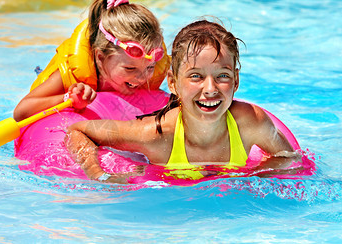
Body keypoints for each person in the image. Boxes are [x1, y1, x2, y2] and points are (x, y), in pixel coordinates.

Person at [64, 19, 300, 183]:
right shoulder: (155, 136)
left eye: (223, 76)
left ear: (236, 81)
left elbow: (289, 158)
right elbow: (77, 131)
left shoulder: (251, 122)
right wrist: (98, 174)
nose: (210, 89)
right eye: (196, 76)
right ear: (173, 83)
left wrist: (253, 178)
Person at [13, 0, 170, 121]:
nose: (142, 78)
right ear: (100, 58)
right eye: (130, 68)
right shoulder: (73, 74)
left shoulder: (151, 72)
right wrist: (69, 99)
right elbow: (21, 112)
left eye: (150, 67)